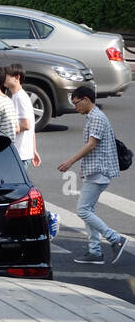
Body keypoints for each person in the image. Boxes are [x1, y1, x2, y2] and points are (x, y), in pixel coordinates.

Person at [58, 85, 127, 265]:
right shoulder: (93, 116)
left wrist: (70, 162)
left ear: (86, 99)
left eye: (76, 103)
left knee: (83, 210)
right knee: (88, 210)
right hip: (95, 171)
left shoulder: (96, 117)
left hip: (99, 173)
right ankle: (95, 251)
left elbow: (91, 145)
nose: (75, 107)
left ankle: (115, 239)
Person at [5, 65, 40, 169]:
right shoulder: (17, 96)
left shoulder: (20, 97)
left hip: (20, 154)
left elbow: (26, 125)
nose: (3, 79)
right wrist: (33, 150)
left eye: (6, 76)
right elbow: (31, 127)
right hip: (23, 152)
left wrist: (4, 128)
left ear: (17, 78)